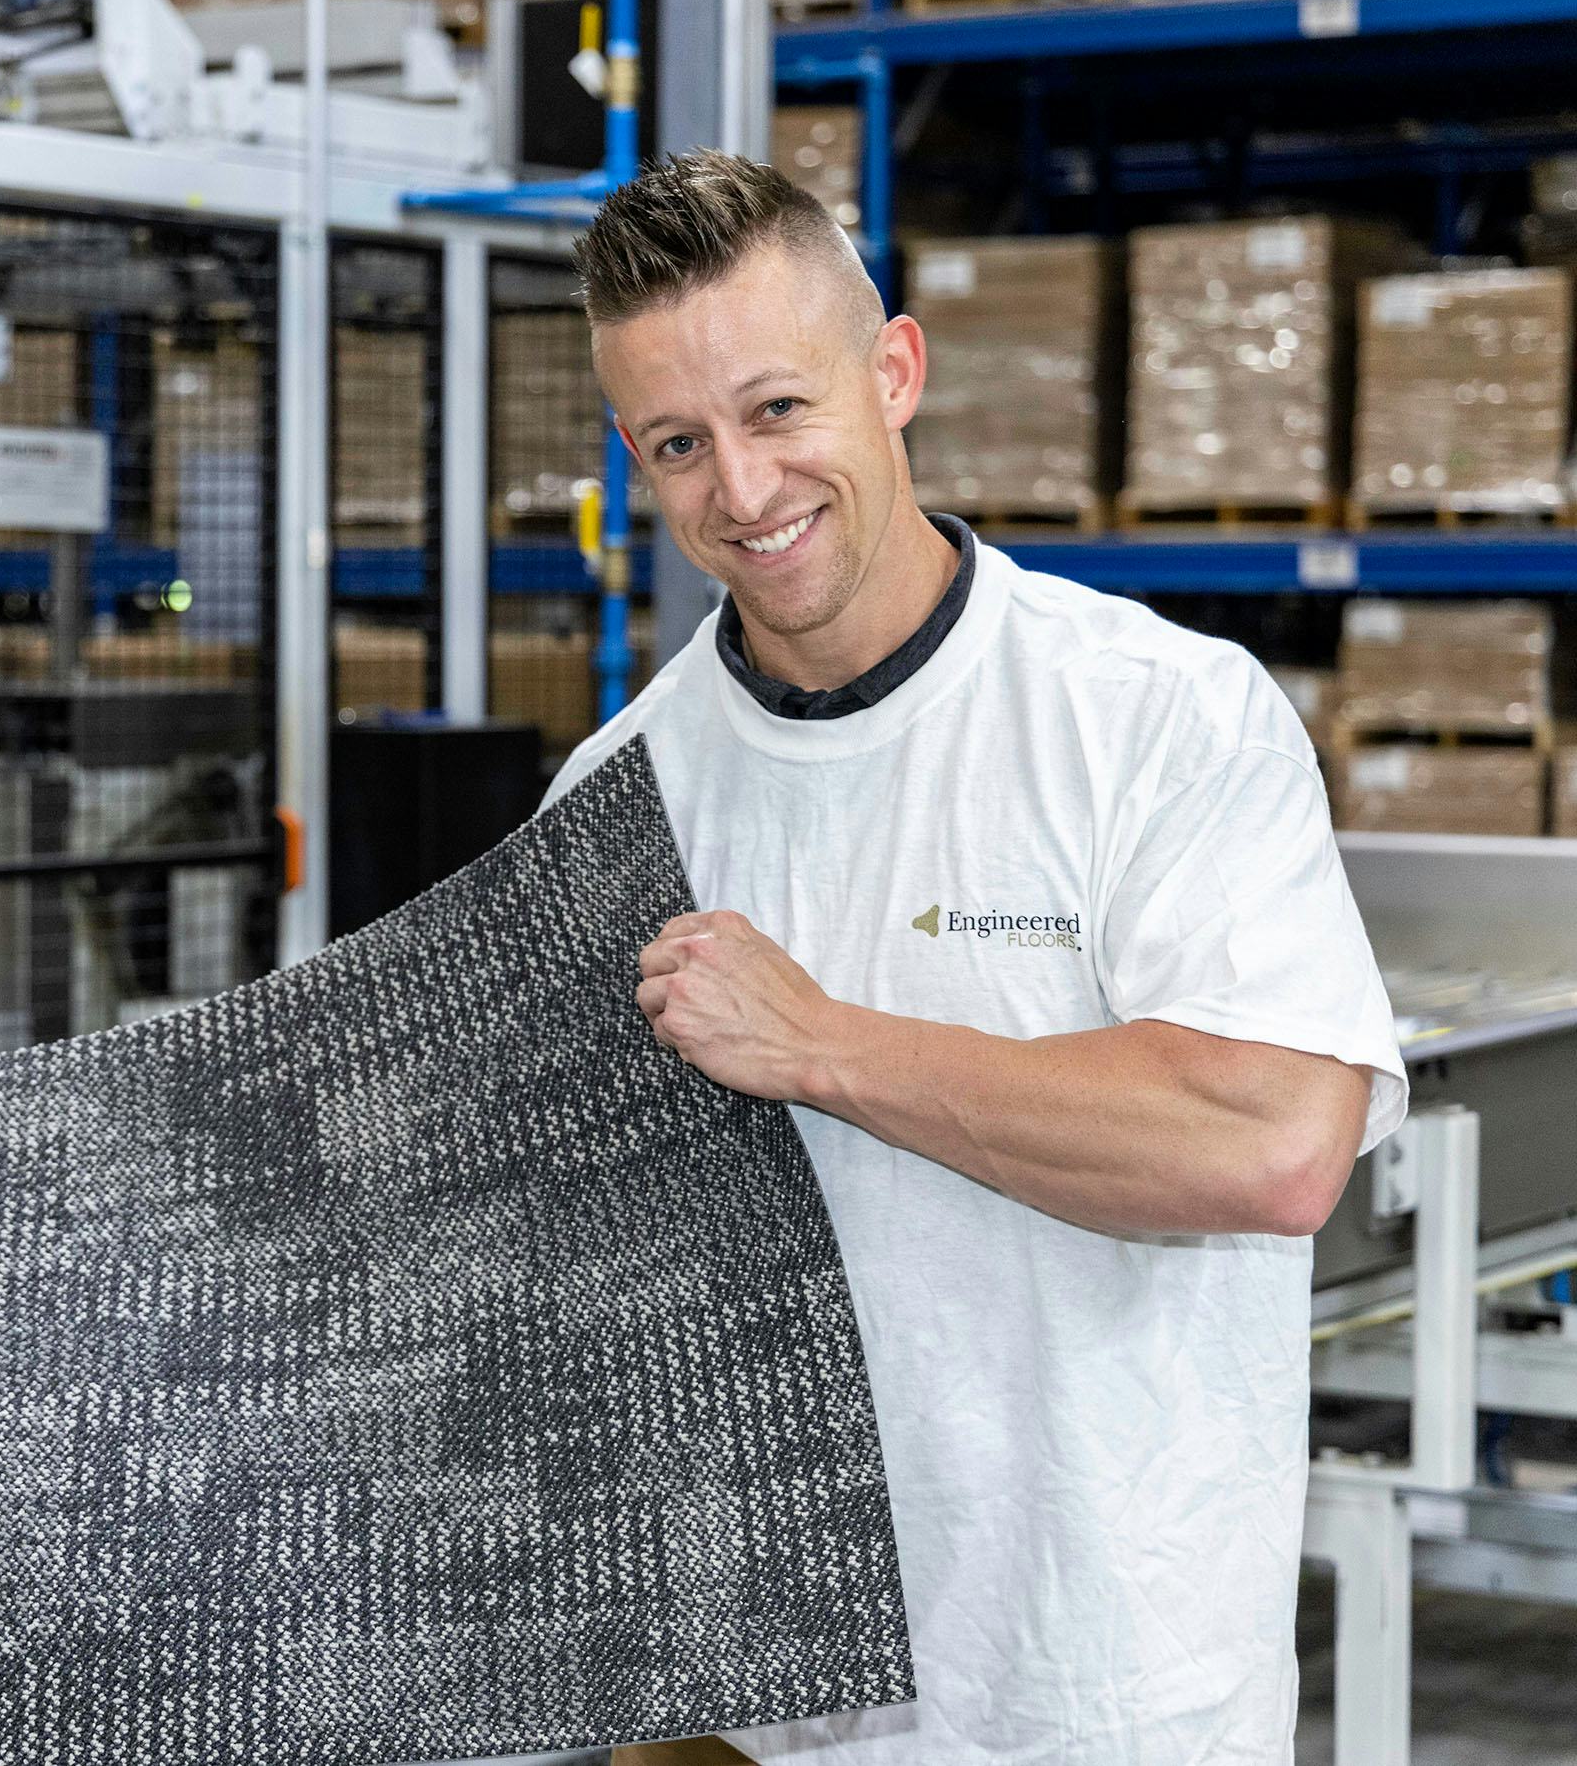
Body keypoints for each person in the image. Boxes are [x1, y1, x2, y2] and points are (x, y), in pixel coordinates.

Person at [551, 152, 1407, 1764]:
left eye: (779, 410)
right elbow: (596, 1316)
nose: (741, 489)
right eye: (680, 443)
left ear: (894, 375)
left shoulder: (1155, 720)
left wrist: (823, 1047)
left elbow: (1278, 1141)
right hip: (762, 1726)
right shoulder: (615, 801)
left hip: (1098, 1700)